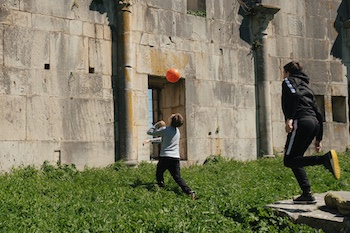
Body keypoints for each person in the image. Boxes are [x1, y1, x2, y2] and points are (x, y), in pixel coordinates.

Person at [281, 61, 340, 204]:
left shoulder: (288, 81)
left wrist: (289, 118)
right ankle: (306, 193)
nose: (282, 75)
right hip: (313, 123)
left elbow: (294, 97)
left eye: (283, 72)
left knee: (289, 160)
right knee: (296, 158)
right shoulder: (307, 88)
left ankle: (324, 160)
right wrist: (319, 138)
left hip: (301, 121)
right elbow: (318, 113)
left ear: (287, 72)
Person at [143, 113, 196, 200]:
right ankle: (189, 191)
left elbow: (149, 132)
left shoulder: (165, 129)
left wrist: (157, 125)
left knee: (159, 173)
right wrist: (150, 140)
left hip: (165, 157)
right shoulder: (177, 131)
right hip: (175, 158)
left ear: (171, 120)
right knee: (177, 177)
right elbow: (163, 139)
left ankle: (162, 189)